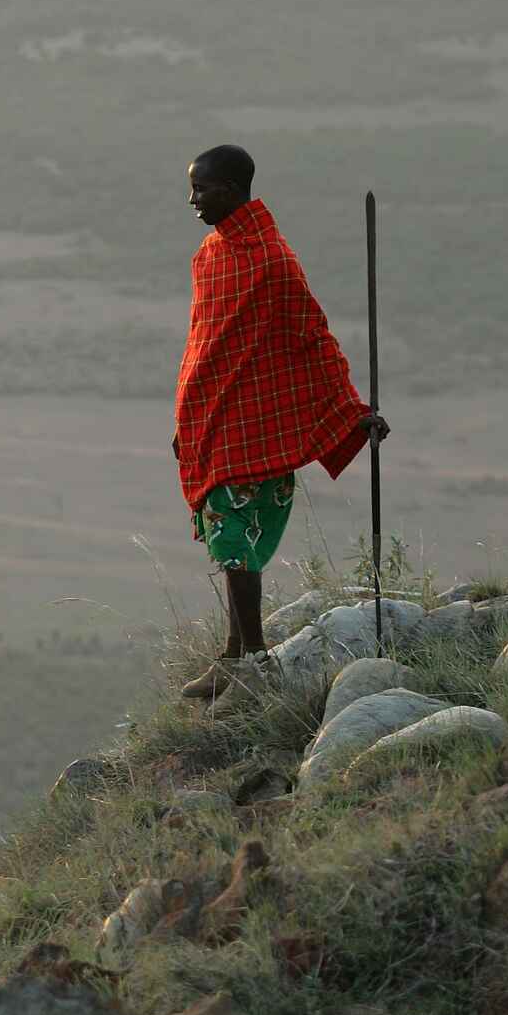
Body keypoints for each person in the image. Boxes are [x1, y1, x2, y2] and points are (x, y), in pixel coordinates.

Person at [173, 145, 389, 699]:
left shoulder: (272, 260)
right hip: (216, 416)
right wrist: (189, 417)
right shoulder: (210, 254)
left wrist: (351, 409)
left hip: (256, 423)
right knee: (226, 532)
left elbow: (312, 337)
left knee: (235, 539)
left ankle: (255, 665)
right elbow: (203, 344)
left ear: (232, 188)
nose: (192, 199)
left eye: (202, 188)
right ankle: (232, 657)